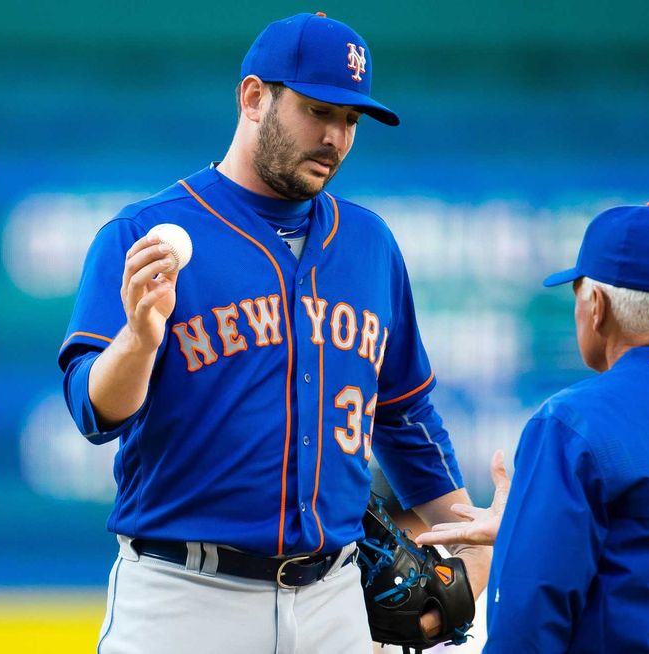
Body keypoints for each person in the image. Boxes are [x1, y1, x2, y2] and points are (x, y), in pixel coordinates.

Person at [58, 13, 489, 654]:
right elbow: (93, 411)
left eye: (351, 121)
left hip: (336, 601)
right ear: (255, 97)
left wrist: (465, 530)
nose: (337, 138)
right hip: (185, 598)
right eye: (319, 110)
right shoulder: (143, 234)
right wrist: (140, 341)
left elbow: (403, 413)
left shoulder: (369, 243)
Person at [419, 203, 649, 653]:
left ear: (596, 306)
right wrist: (534, 528)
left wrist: (533, 539)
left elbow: (529, 625)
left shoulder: (573, 422)